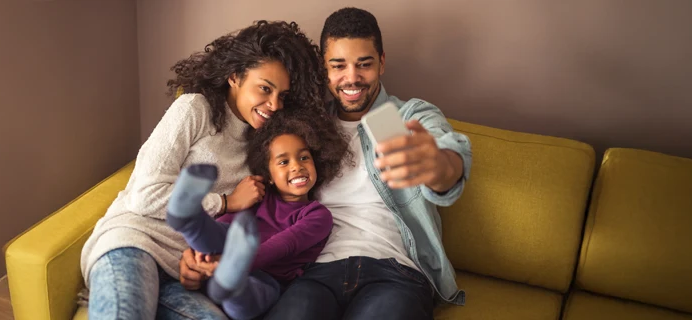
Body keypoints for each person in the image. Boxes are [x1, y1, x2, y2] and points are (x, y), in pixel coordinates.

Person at [78, 20, 326, 320]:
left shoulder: (266, 144)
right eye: (265, 88)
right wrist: (225, 202)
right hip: (136, 242)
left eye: (282, 95)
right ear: (235, 77)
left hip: (188, 271)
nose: (274, 104)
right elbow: (144, 196)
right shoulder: (194, 109)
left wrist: (210, 265)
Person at [260, 7, 473, 319]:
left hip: (395, 273)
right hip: (316, 272)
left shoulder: (405, 118)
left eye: (364, 65)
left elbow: (451, 154)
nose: (352, 78)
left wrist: (438, 166)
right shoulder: (308, 128)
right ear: (324, 67)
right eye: (339, 66)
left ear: (382, 63)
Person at [164, 107, 349, 320]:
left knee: (252, 294)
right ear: (268, 175)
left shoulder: (317, 215)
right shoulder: (259, 197)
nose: (297, 167)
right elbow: (224, 227)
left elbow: (281, 247)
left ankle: (229, 280)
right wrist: (199, 257)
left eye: (304, 157)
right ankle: (189, 219)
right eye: (283, 162)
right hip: (221, 267)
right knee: (224, 231)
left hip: (267, 280)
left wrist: (230, 263)